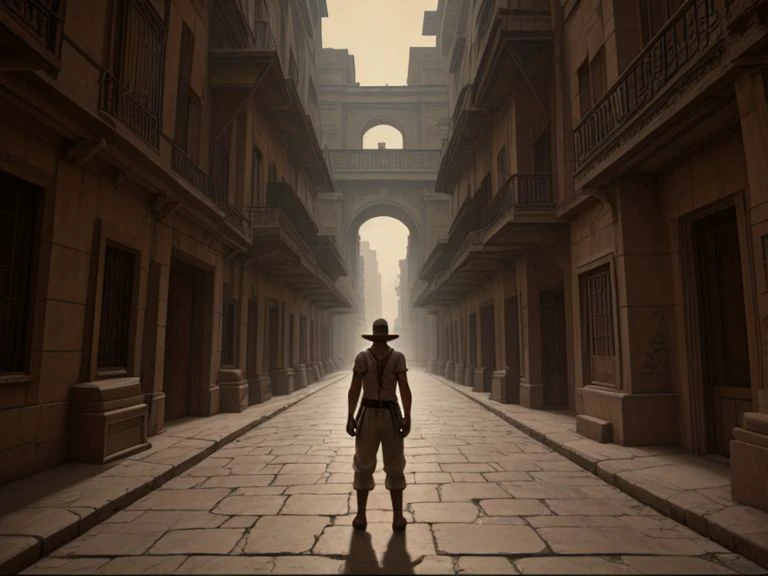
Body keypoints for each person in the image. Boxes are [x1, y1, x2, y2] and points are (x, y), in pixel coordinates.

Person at [346, 318, 412, 532]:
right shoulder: (397, 358)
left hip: (368, 413)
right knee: (394, 464)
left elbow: (354, 389)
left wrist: (350, 416)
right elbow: (404, 390)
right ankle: (397, 517)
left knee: (364, 463)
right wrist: (407, 416)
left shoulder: (362, 357)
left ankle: (361, 515)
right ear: (386, 335)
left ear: (374, 335)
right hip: (390, 413)